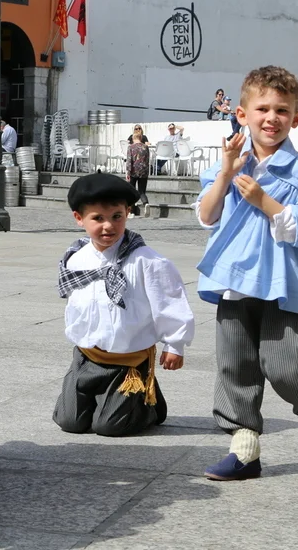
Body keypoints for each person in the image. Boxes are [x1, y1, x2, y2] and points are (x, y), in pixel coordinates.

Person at [195, 66, 298, 481]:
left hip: (282, 283)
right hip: (233, 279)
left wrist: (264, 201)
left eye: (282, 110)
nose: (271, 118)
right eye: (262, 108)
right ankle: (244, 449)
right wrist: (226, 173)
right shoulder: (231, 164)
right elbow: (206, 216)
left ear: (296, 117)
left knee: (282, 365)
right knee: (235, 363)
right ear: (242, 114)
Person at [54, 172, 194, 436]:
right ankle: (105, 400)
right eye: (98, 218)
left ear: (128, 213)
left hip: (128, 360)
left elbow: (169, 301)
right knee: (69, 422)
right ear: (79, 218)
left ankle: (149, 405)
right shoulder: (76, 259)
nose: (108, 226)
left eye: (116, 216)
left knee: (109, 427)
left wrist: (175, 344)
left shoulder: (146, 261)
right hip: (86, 355)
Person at [126, 135, 150, 218]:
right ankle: (146, 203)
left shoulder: (131, 147)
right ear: (141, 138)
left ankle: (131, 211)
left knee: (131, 191)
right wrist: (146, 171)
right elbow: (147, 160)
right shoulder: (145, 147)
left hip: (133, 171)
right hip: (144, 171)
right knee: (142, 191)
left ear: (133, 138)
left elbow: (129, 160)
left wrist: (128, 172)